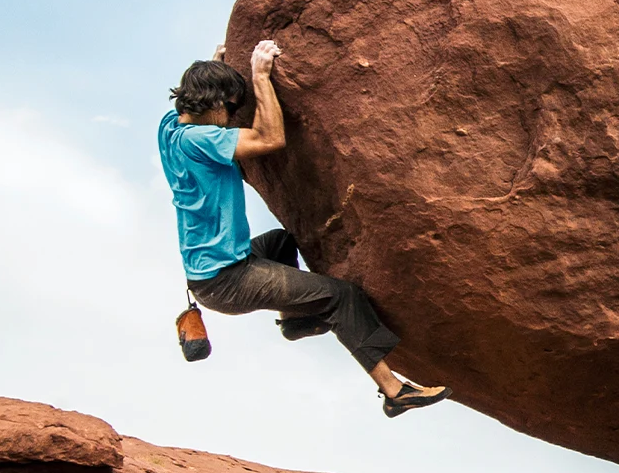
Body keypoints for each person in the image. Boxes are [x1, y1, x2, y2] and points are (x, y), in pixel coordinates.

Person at [158, 39, 449, 418]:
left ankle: (295, 319)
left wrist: (215, 64)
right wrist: (260, 76)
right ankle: (394, 391)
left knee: (281, 241)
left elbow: (201, 92)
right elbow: (270, 139)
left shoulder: (170, 128)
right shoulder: (204, 139)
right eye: (228, 108)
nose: (231, 117)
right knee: (340, 297)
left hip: (210, 270)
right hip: (229, 278)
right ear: (212, 104)